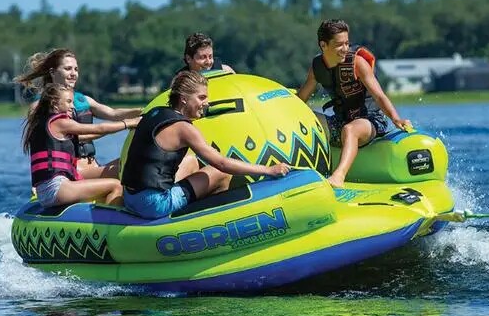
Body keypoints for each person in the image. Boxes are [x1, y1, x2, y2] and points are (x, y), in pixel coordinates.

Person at [122, 70, 290, 219]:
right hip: (153, 204)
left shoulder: (156, 112)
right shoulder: (184, 128)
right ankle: (210, 221)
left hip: (131, 196)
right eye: (201, 97)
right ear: (184, 99)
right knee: (219, 173)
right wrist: (268, 170)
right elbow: (222, 163)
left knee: (191, 161)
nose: (207, 103)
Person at [297, 19, 411, 188]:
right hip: (340, 121)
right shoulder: (317, 68)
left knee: (350, 129)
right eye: (339, 45)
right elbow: (300, 100)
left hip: (370, 121)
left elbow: (379, 96)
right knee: (305, 117)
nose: (345, 49)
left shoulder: (357, 63)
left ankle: (338, 176)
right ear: (323, 45)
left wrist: (396, 118)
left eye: (347, 43)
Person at [15, 48, 143, 177]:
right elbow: (70, 137)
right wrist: (122, 126)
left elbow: (114, 113)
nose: (73, 74)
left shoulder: (83, 100)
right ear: (52, 72)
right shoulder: (40, 106)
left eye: (76, 69)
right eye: (68, 69)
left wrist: (143, 111)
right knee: (125, 169)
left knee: (137, 160)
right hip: (71, 169)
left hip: (92, 164)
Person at [22, 83, 140, 208]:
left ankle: (103, 211)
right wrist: (128, 123)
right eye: (68, 102)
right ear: (54, 104)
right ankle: (110, 219)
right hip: (56, 189)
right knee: (115, 186)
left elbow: (89, 135)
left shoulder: (44, 123)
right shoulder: (60, 122)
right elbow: (98, 128)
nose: (72, 107)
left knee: (115, 173)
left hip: (49, 190)